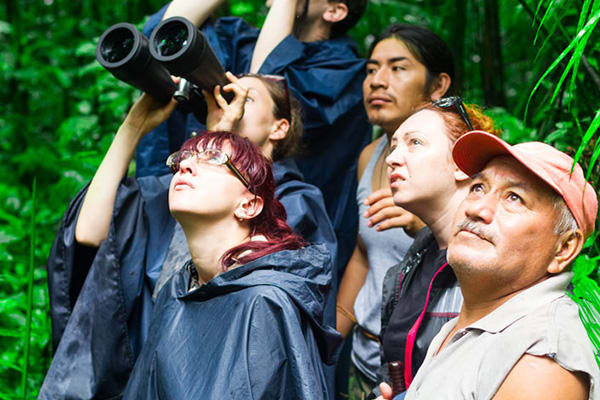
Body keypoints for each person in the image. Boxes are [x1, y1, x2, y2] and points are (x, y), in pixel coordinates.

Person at [42, 74, 338, 399]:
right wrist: (135, 124)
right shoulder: (177, 287)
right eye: (183, 160)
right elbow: (89, 231)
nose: (186, 167)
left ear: (251, 205)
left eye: (247, 98)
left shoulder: (265, 297)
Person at [137, 0, 371, 284]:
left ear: (334, 10)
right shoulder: (243, 40)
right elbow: (163, 37)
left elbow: (268, 78)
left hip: (282, 226)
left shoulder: (344, 72)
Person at [379, 131, 599, 400]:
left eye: (514, 198)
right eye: (478, 188)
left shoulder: (539, 359)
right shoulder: (481, 320)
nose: (477, 208)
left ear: (563, 249)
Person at [334, 24, 455, 398]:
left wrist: (427, 225)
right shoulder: (370, 158)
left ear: (437, 87)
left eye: (397, 68)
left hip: (428, 365)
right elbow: (363, 252)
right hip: (363, 358)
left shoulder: (460, 156)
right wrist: (331, 338)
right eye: (371, 70)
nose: (377, 81)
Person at [373, 98, 500, 394]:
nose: (392, 158)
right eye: (393, 147)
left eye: (414, 142)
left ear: (461, 164)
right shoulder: (413, 262)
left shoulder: (495, 260)